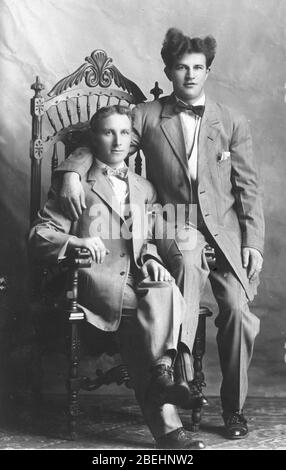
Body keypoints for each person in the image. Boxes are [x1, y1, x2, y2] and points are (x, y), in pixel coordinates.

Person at [55, 28, 264, 439]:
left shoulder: (233, 121)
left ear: (208, 71)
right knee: (186, 256)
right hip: (172, 222)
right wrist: (70, 172)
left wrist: (253, 242)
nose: (190, 75)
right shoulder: (147, 114)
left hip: (225, 234)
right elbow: (96, 137)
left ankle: (234, 411)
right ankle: (177, 368)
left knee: (239, 314)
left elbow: (249, 188)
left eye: (198, 68)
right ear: (168, 70)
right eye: (181, 68)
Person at [29, 105, 206, 450]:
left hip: (137, 272)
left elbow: (146, 237)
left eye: (124, 133)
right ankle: (169, 429)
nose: (118, 141)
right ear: (94, 138)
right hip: (99, 280)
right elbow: (39, 236)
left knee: (166, 287)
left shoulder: (144, 189)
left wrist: (153, 259)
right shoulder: (76, 186)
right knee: (142, 313)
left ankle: (162, 372)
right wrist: (76, 240)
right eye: (109, 132)